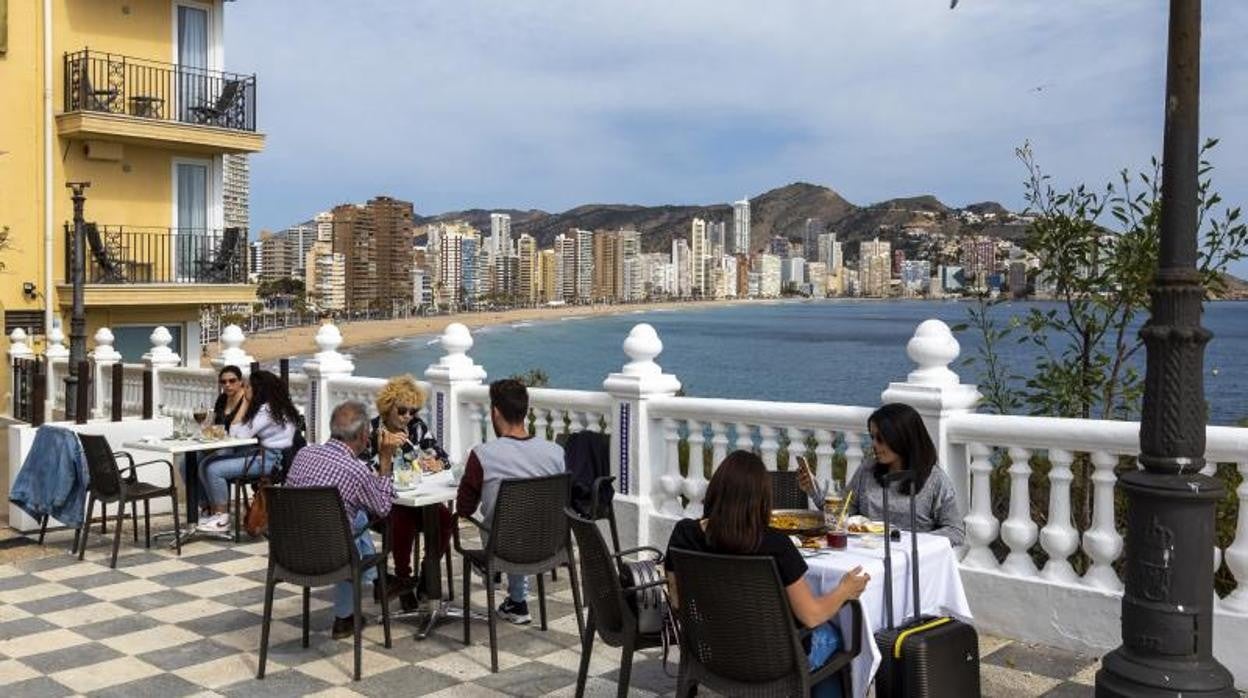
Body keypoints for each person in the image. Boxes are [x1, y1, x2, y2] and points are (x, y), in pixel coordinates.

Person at [666, 451, 868, 698]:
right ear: (761, 499)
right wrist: (844, 590)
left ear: (716, 490)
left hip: (711, 653)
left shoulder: (683, 534)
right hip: (773, 664)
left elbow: (677, 601)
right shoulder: (775, 545)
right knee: (832, 636)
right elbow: (812, 615)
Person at [455, 378, 563, 625]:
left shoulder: (483, 456)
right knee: (520, 521)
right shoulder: (556, 453)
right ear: (525, 411)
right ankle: (517, 602)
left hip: (503, 548)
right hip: (549, 545)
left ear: (495, 412)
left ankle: (492, 573)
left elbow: (464, 509)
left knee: (501, 523)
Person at [286, 401, 397, 639]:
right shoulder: (356, 470)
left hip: (289, 554)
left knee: (353, 520)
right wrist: (386, 462)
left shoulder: (304, 453)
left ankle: (377, 583)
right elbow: (384, 508)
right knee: (349, 533)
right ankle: (349, 613)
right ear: (363, 435)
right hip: (331, 558)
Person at [800, 403, 965, 546]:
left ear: (902, 438)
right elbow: (840, 516)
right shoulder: (867, 471)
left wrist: (911, 542)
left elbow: (955, 531)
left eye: (880, 439)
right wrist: (814, 490)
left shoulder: (935, 480)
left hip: (913, 563)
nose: (874, 445)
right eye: (872, 437)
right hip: (866, 552)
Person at [360, 375, 450, 610]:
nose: (407, 416)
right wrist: (385, 454)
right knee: (403, 521)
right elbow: (362, 472)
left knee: (444, 520)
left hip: (418, 496)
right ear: (388, 407)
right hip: (383, 502)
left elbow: (442, 456)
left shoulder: (417, 428)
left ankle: (427, 576)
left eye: (413, 411)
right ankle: (403, 582)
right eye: (402, 411)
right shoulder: (370, 432)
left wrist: (437, 462)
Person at [197, 370, 298, 533]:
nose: (246, 389)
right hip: (265, 455)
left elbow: (238, 433)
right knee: (205, 463)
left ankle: (222, 518)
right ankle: (215, 512)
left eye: (248, 387)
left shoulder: (267, 411)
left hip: (271, 461)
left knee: (212, 468)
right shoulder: (274, 407)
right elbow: (237, 433)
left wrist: (244, 402)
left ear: (258, 389)